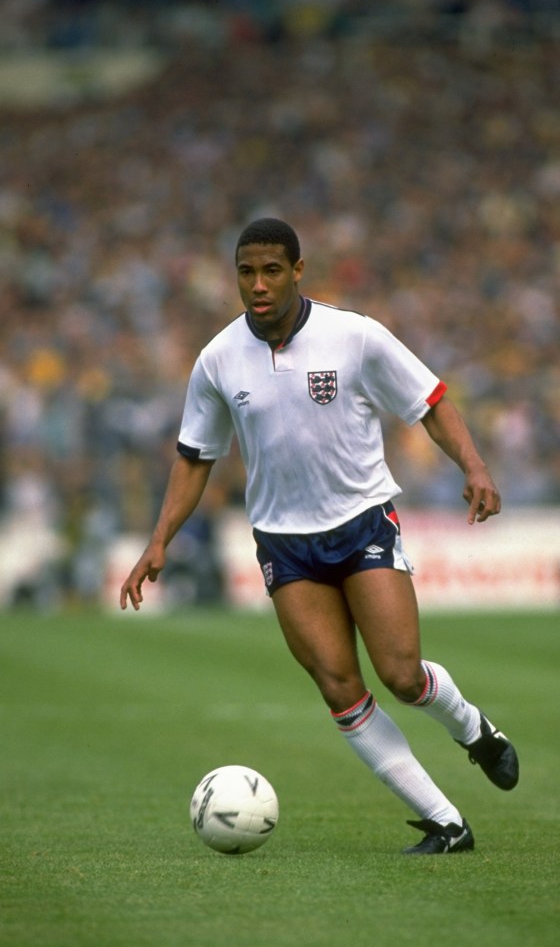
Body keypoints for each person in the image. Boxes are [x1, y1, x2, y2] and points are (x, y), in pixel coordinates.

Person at [120, 217, 519, 855]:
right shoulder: (218, 359)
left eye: (271, 270)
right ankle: (447, 823)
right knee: (340, 687)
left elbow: (431, 400)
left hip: (361, 523)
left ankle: (475, 731)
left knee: (401, 674)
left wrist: (473, 466)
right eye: (246, 272)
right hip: (283, 543)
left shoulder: (354, 336)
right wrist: (160, 538)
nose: (258, 284)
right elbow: (195, 456)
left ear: (298, 271)